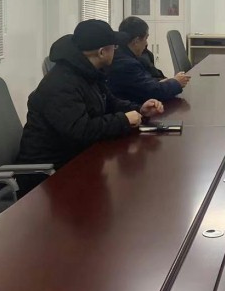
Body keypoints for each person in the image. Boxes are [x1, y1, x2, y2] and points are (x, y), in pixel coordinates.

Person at [16, 19, 164, 192]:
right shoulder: (62, 84)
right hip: (47, 178)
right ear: (102, 52)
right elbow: (81, 130)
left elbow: (110, 102)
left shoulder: (88, 72)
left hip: (74, 160)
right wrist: (123, 120)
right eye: (114, 47)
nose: (116, 51)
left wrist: (139, 109)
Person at [108, 16, 190, 104]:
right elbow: (153, 92)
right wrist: (176, 83)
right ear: (136, 41)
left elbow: (145, 83)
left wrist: (162, 82)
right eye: (146, 38)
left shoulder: (123, 54)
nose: (146, 43)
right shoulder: (126, 64)